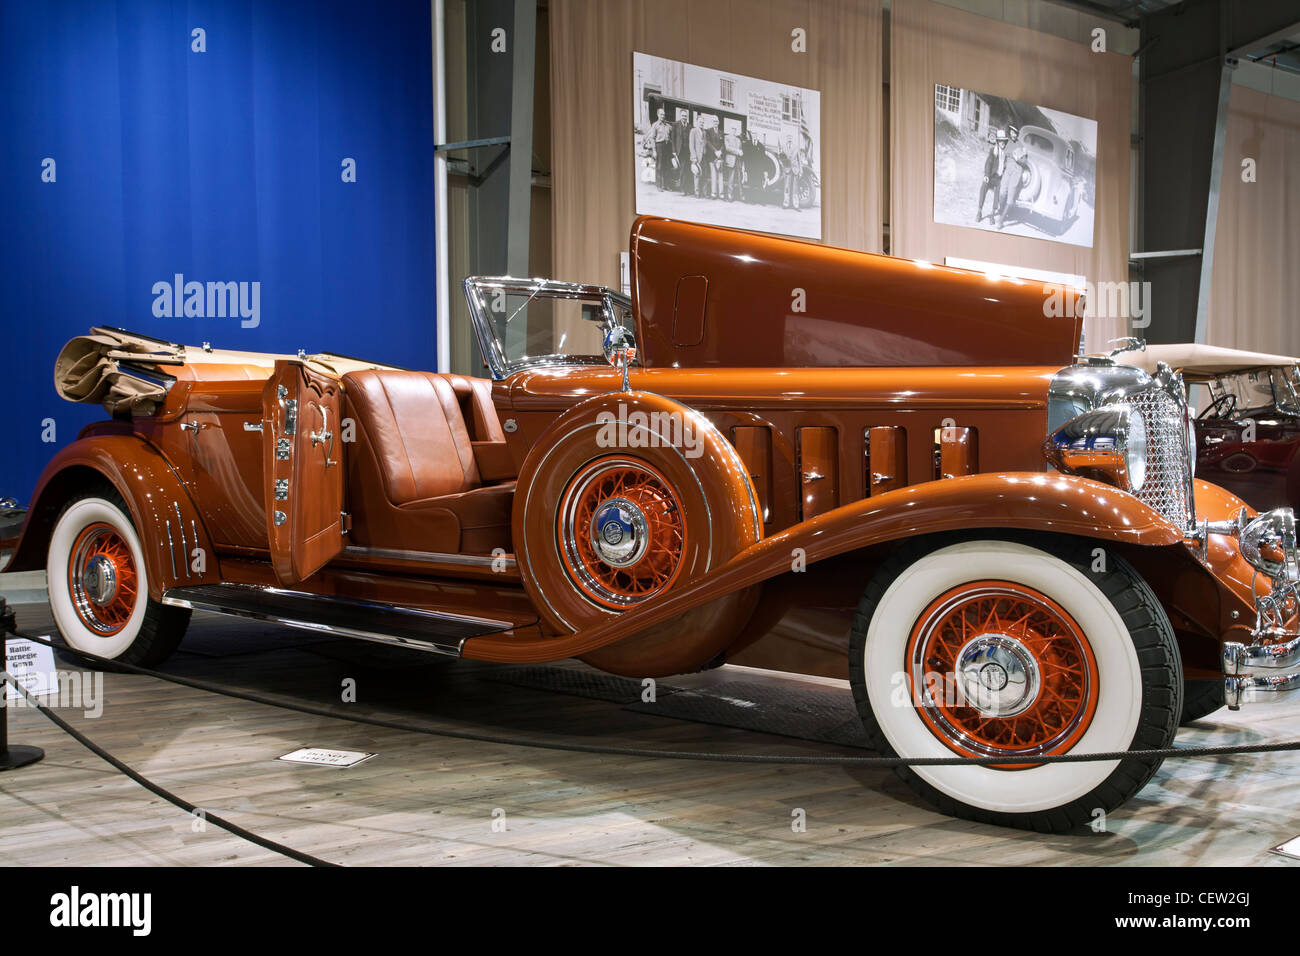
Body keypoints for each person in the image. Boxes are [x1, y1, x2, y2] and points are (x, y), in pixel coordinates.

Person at [995, 125, 1029, 229]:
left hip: (1016, 171)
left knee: (1010, 198)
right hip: (1007, 170)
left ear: (1017, 134)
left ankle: (1001, 220)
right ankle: (1001, 211)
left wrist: (1017, 158)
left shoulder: (1021, 145)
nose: (1013, 134)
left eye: (1015, 133)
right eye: (1012, 132)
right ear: (1010, 133)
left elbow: (1025, 162)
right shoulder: (1008, 143)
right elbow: (1001, 153)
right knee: (1002, 192)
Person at [977, 129, 1006, 223]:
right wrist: (986, 175)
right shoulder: (993, 151)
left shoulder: (1005, 153)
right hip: (991, 176)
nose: (1003, 143)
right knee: (984, 186)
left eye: (1004, 141)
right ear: (997, 141)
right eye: (1001, 141)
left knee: (998, 192)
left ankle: (992, 214)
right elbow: (988, 163)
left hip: (998, 178)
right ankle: (979, 211)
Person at [644, 107, 674, 190]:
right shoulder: (655, 125)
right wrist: (654, 150)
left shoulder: (667, 125)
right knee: (659, 166)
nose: (663, 116)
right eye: (661, 114)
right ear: (658, 115)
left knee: (667, 166)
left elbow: (672, 133)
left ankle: (666, 185)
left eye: (664, 114)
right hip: (659, 146)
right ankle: (659, 185)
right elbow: (652, 138)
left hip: (667, 147)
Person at [780, 134, 803, 210]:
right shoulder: (783, 147)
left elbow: (799, 160)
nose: (789, 139)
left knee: (795, 188)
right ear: (786, 139)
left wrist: (800, 170)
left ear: (792, 139)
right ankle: (786, 204)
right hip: (787, 170)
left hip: (795, 170)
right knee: (786, 187)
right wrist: (783, 167)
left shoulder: (796, 147)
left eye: (790, 137)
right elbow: (781, 159)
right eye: (788, 137)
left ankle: (796, 205)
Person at [673, 111, 692, 194]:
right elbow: (673, 139)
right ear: (680, 116)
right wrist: (674, 151)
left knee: (687, 170)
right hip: (680, 151)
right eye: (683, 116)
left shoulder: (689, 126)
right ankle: (682, 189)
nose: (684, 117)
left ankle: (686, 188)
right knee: (682, 169)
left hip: (688, 151)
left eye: (685, 116)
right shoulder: (676, 125)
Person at [704, 115, 723, 199]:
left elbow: (723, 144)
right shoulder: (708, 131)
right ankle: (713, 193)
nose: (715, 123)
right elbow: (708, 142)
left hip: (720, 157)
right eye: (714, 121)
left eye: (716, 121)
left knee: (720, 175)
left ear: (718, 122)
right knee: (713, 175)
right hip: (712, 156)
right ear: (712, 122)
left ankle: (721, 194)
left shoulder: (721, 132)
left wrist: (720, 151)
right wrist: (715, 151)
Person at [723, 125, 742, 201]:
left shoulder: (738, 140)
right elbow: (727, 148)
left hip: (738, 161)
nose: (734, 131)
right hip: (731, 161)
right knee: (731, 179)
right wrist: (737, 151)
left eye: (735, 129)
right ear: (730, 130)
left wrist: (740, 152)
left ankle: (741, 195)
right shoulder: (726, 137)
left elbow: (740, 149)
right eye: (732, 129)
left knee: (739, 179)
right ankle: (730, 195)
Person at [689, 115, 706, 197]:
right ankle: (697, 192)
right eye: (700, 122)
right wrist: (694, 157)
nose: (701, 124)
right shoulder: (693, 131)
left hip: (704, 156)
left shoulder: (704, 132)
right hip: (696, 157)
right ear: (697, 122)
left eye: (703, 122)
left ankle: (703, 192)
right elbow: (691, 145)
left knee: (703, 174)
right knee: (696, 174)